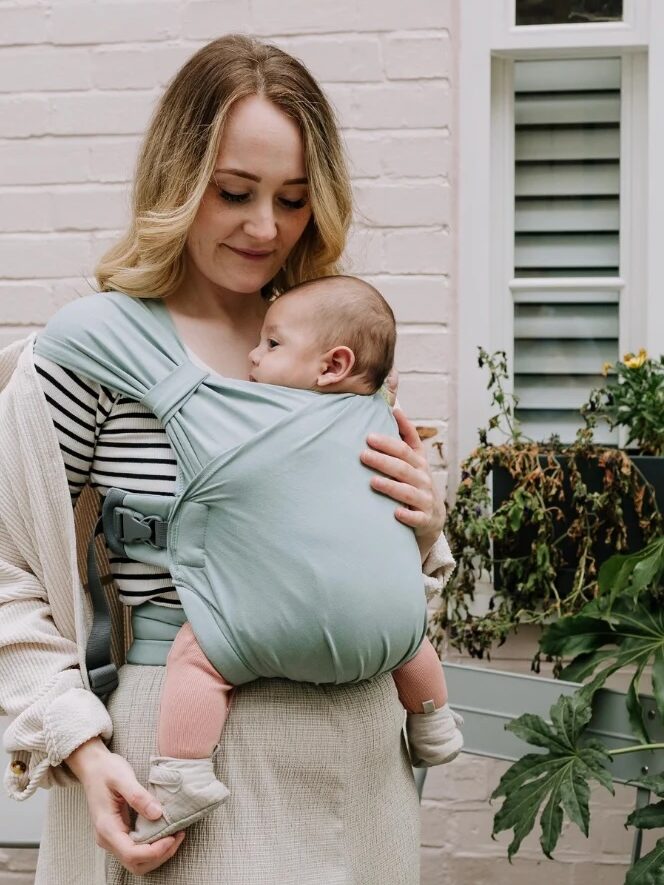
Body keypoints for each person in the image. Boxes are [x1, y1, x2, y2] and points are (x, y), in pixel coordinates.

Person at [0, 35, 454, 884]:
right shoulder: (89, 353)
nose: (265, 228)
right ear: (176, 183)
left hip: (361, 769)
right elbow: (6, 568)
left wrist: (424, 530)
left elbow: (395, 570)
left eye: (291, 199)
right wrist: (81, 749)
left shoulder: (329, 346)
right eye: (235, 192)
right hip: (180, 766)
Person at [126, 275, 462, 844]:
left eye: (272, 345)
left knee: (198, 658)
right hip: (381, 627)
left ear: (331, 366)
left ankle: (184, 773)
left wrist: (429, 522)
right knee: (408, 635)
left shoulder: (248, 410)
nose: (254, 356)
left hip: (263, 628)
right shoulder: (381, 410)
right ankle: (432, 722)